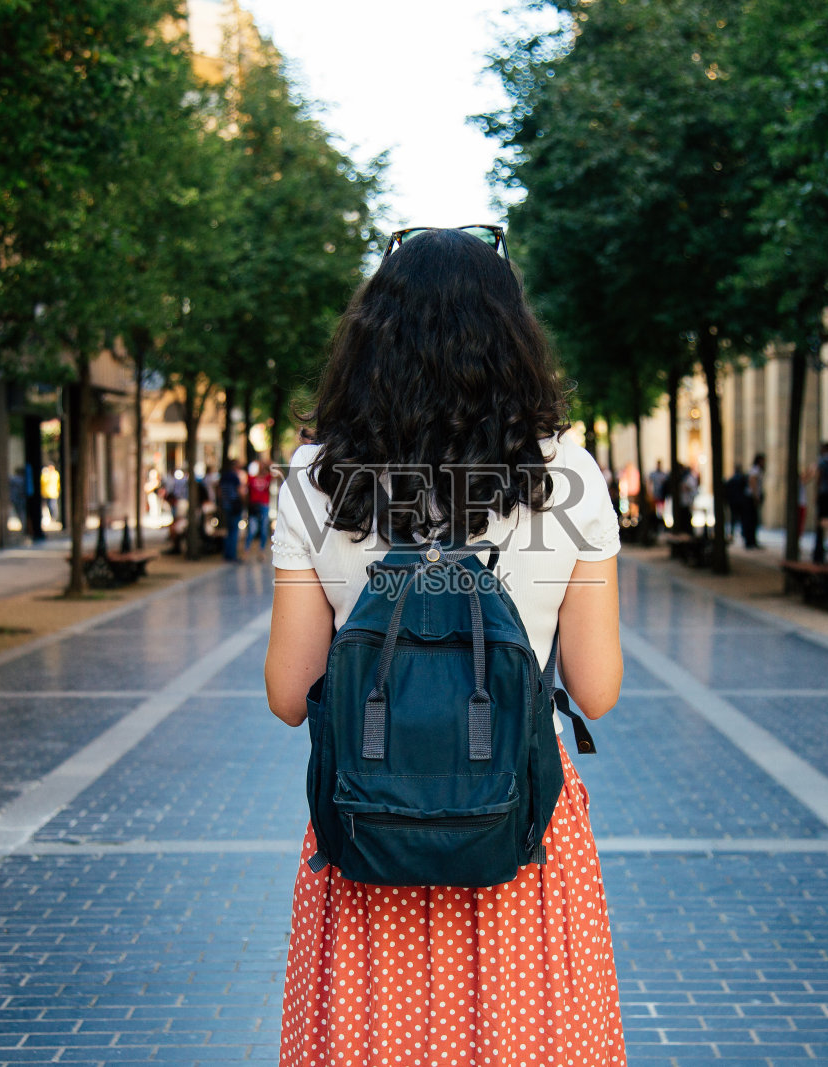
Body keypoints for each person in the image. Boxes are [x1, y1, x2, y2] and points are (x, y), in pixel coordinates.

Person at [264, 227, 626, 1065]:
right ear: (514, 338)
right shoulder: (568, 474)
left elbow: (291, 694)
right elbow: (596, 688)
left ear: (369, 339)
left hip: (370, 834)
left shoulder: (318, 477)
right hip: (517, 833)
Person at [217, 458, 244, 562]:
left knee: (228, 530)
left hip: (226, 505)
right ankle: (232, 555)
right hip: (234, 506)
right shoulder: (234, 477)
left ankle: (227, 553)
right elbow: (240, 491)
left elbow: (219, 491)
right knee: (234, 531)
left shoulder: (224, 477)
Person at [244, 457, 272, 552]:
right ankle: (247, 549)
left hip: (264, 505)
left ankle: (262, 550)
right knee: (252, 529)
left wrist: (269, 464)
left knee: (264, 529)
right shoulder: (251, 478)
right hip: (254, 506)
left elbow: (279, 473)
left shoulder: (268, 477)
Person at [743, 452, 765, 548]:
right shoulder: (755, 470)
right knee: (751, 520)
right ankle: (750, 541)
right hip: (751, 498)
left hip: (751, 498)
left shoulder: (756, 470)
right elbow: (753, 483)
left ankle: (752, 541)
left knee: (752, 520)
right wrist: (756, 497)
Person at [39, 461, 61, 528]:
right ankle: (48, 519)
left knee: (52, 506)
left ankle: (53, 518)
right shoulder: (45, 475)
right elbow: (42, 481)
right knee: (46, 507)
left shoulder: (55, 474)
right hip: (45, 493)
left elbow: (56, 482)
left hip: (53, 493)